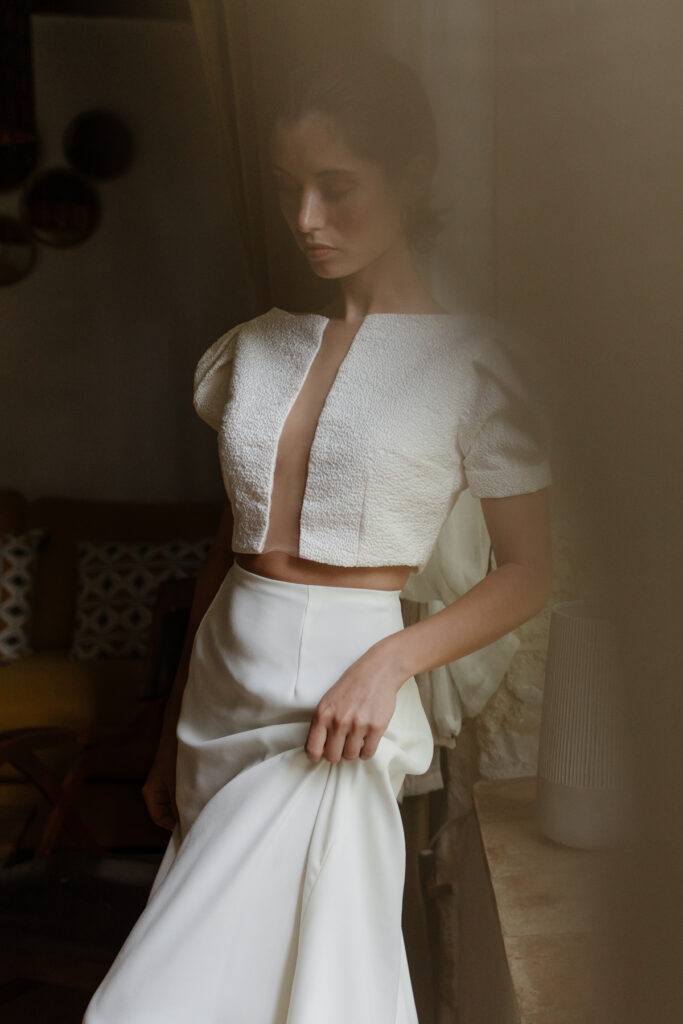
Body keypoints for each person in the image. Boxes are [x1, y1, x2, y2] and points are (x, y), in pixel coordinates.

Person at [83, 49, 552, 1024]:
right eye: (289, 187)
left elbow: (527, 573)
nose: (305, 219)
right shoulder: (251, 348)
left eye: (336, 188)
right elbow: (227, 549)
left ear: (412, 173)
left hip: (336, 711)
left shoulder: (474, 365)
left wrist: (388, 664)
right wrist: (172, 731)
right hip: (221, 692)